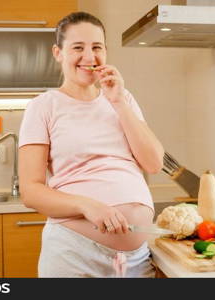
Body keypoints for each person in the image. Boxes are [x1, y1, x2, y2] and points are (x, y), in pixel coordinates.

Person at [18, 11, 164, 278]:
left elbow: (154, 163)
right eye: (78, 48)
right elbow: (30, 191)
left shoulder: (123, 99)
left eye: (97, 47)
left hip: (134, 260)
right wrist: (88, 206)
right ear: (58, 53)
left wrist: (118, 102)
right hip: (73, 255)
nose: (89, 57)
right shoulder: (43, 107)